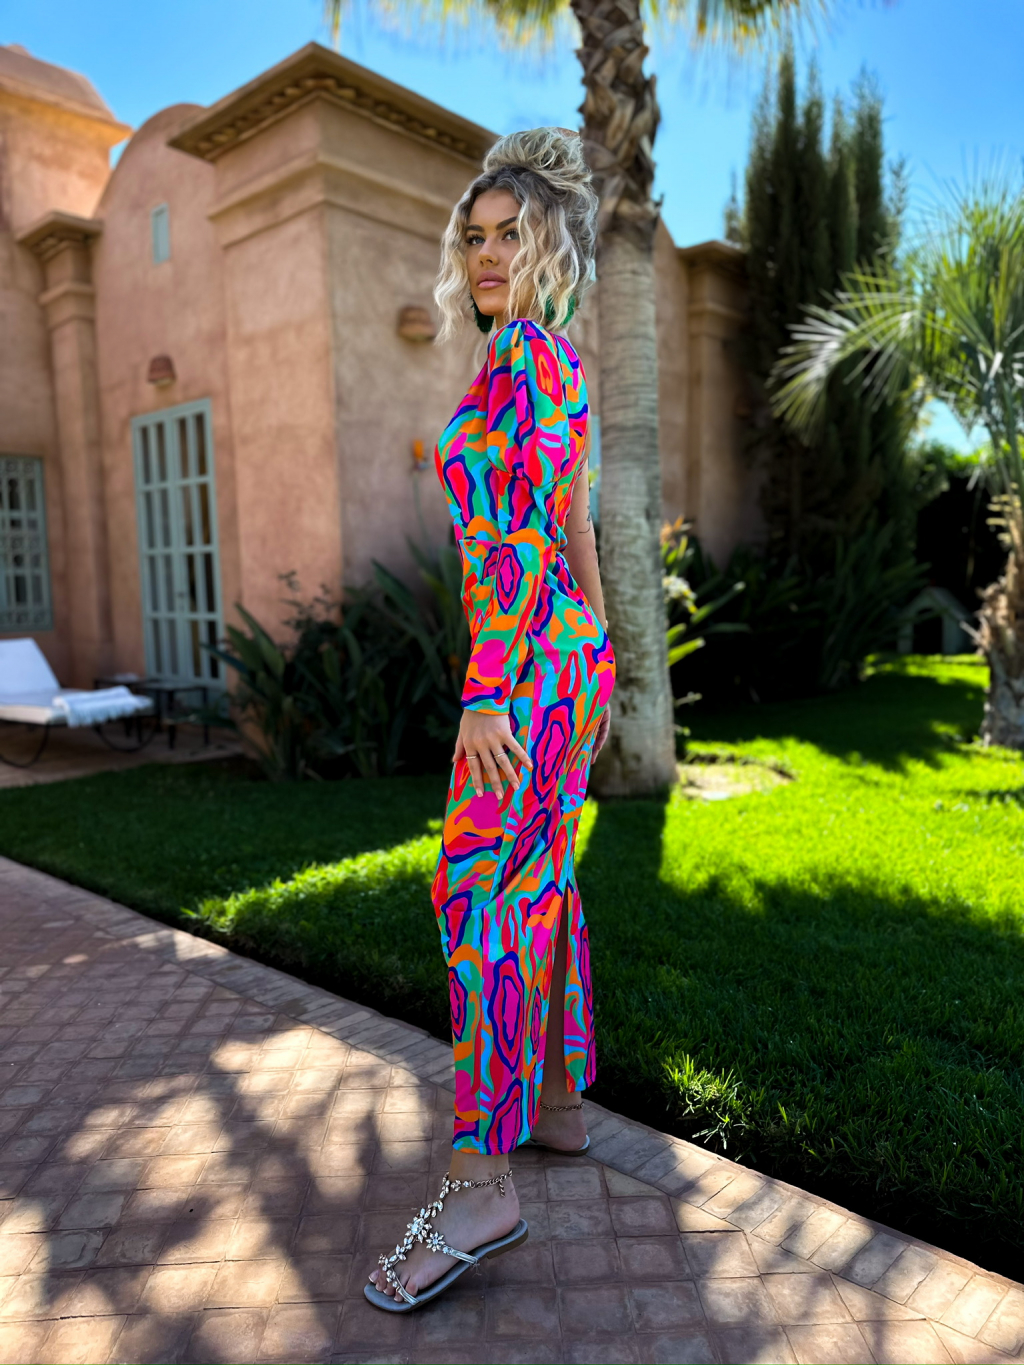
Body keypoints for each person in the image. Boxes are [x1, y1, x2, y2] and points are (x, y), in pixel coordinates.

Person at [365, 127, 616, 1313]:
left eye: (512, 234)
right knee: (538, 884)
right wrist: (602, 662)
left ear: (550, 245)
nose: (487, 254)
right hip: (564, 658)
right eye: (474, 236)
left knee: (476, 900)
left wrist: (487, 688)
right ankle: (557, 1105)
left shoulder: (526, 365)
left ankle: (478, 1186)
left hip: (521, 669)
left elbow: (520, 544)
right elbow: (573, 526)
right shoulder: (545, 366)